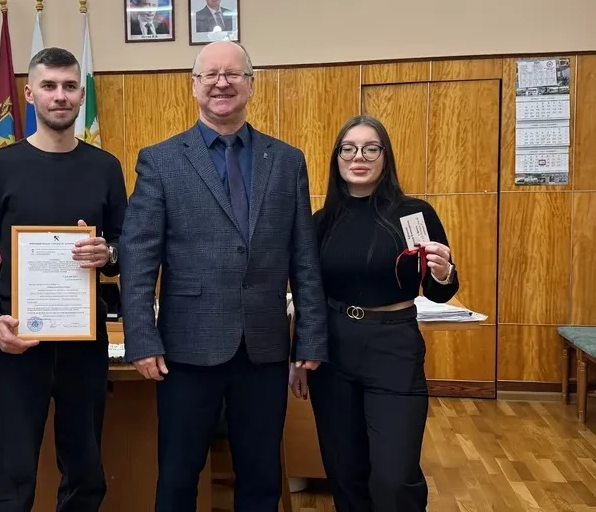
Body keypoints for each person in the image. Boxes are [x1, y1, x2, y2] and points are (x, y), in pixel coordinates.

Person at [119, 40, 328, 512]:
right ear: (193, 86)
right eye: (210, 75)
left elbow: (304, 257)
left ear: (251, 85)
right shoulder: (161, 160)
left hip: (264, 348)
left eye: (233, 74)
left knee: (261, 475)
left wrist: (311, 339)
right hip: (186, 349)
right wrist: (142, 338)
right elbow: (138, 255)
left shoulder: (287, 160)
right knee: (178, 475)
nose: (221, 83)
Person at [0, 46, 128, 511]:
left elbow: (126, 248)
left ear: (82, 96)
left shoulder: (105, 167)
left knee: (85, 472)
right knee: (10, 476)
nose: (61, 96)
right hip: (16, 340)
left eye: (70, 86)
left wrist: (108, 253)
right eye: (49, 86)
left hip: (83, 342)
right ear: (30, 94)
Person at [295, 114, 458, 512]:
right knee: (344, 471)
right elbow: (308, 293)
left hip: (393, 346)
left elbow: (439, 291)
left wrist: (444, 272)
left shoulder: (414, 214)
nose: (359, 157)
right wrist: (300, 354)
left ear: (385, 157)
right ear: (337, 158)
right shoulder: (321, 222)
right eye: (348, 149)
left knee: (394, 475)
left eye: (371, 148)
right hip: (333, 349)